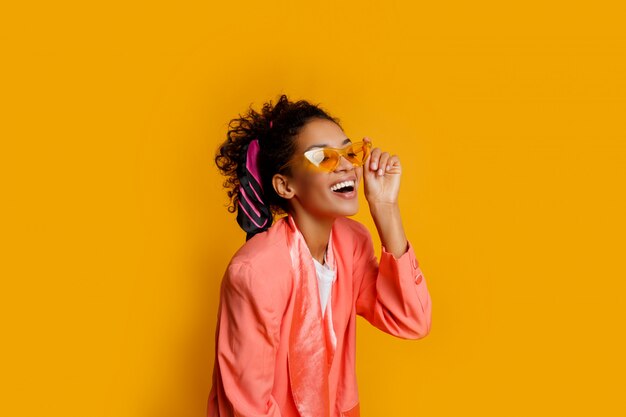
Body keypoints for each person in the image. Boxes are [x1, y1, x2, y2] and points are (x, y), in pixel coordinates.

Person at [207, 94, 432, 417]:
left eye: (348, 152)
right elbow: (247, 408)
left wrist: (385, 208)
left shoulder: (350, 244)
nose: (344, 165)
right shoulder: (256, 272)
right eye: (323, 158)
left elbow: (411, 320)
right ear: (285, 186)